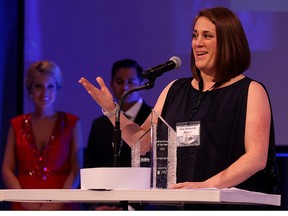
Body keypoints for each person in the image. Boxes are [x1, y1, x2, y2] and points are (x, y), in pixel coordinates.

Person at [79, 6, 280, 210]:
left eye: (207, 36)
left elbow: (256, 158)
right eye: (195, 35)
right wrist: (112, 111)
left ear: (228, 42)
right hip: (177, 205)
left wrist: (207, 187)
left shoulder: (250, 91)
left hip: (227, 206)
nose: (197, 43)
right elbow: (143, 143)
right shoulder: (173, 90)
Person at [2, 60, 83, 210]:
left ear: (57, 88)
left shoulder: (72, 123)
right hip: (24, 204)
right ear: (30, 89)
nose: (45, 92)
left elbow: (76, 169)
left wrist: (59, 202)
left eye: (50, 86)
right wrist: (23, 200)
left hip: (63, 205)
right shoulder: (17, 124)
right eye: (39, 86)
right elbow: (7, 169)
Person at [84, 59, 152, 210]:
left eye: (131, 81)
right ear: (112, 84)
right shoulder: (99, 124)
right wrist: (96, 205)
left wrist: (130, 207)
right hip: (103, 206)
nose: (125, 87)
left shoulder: (154, 117)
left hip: (143, 206)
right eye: (119, 81)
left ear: (141, 83)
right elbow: (91, 166)